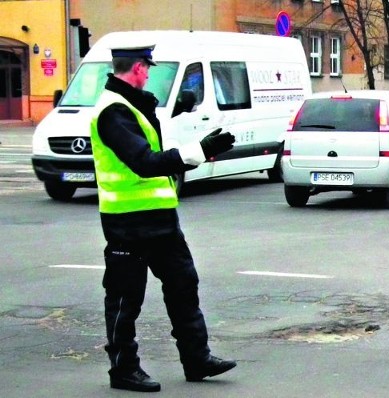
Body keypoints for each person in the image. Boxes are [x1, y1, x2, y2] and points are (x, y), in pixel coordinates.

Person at [90, 44, 237, 392]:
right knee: (126, 298)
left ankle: (196, 358)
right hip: (127, 222)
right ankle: (123, 370)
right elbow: (143, 161)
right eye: (149, 67)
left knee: (184, 285)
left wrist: (197, 148)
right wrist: (199, 152)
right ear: (139, 68)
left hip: (159, 219)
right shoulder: (112, 111)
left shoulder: (133, 105)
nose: (150, 73)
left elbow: (153, 157)